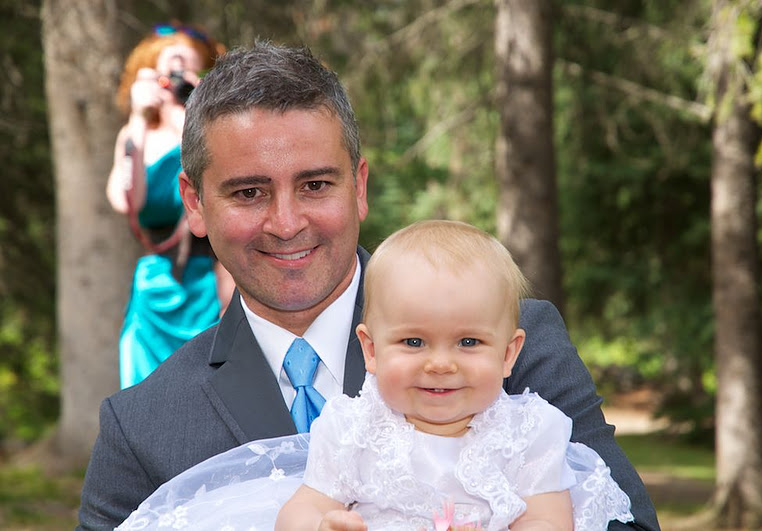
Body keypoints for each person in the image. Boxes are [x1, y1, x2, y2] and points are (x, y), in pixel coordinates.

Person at [77, 40, 660, 530]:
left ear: (358, 188)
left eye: (315, 185)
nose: (287, 223)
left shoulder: (509, 342)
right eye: (249, 192)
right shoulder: (142, 426)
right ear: (195, 203)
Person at [115, 220, 634, 530]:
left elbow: (549, 518)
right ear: (371, 349)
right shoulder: (354, 428)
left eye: (469, 343)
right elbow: (303, 507)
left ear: (509, 354)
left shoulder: (530, 431)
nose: (440, 363)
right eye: (414, 343)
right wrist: (321, 525)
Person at [106, 22, 234, 388]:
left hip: (213, 282)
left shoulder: (212, 131)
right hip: (157, 285)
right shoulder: (135, 136)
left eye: (187, 68)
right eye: (167, 71)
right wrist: (138, 118)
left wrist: (198, 112)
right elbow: (125, 200)